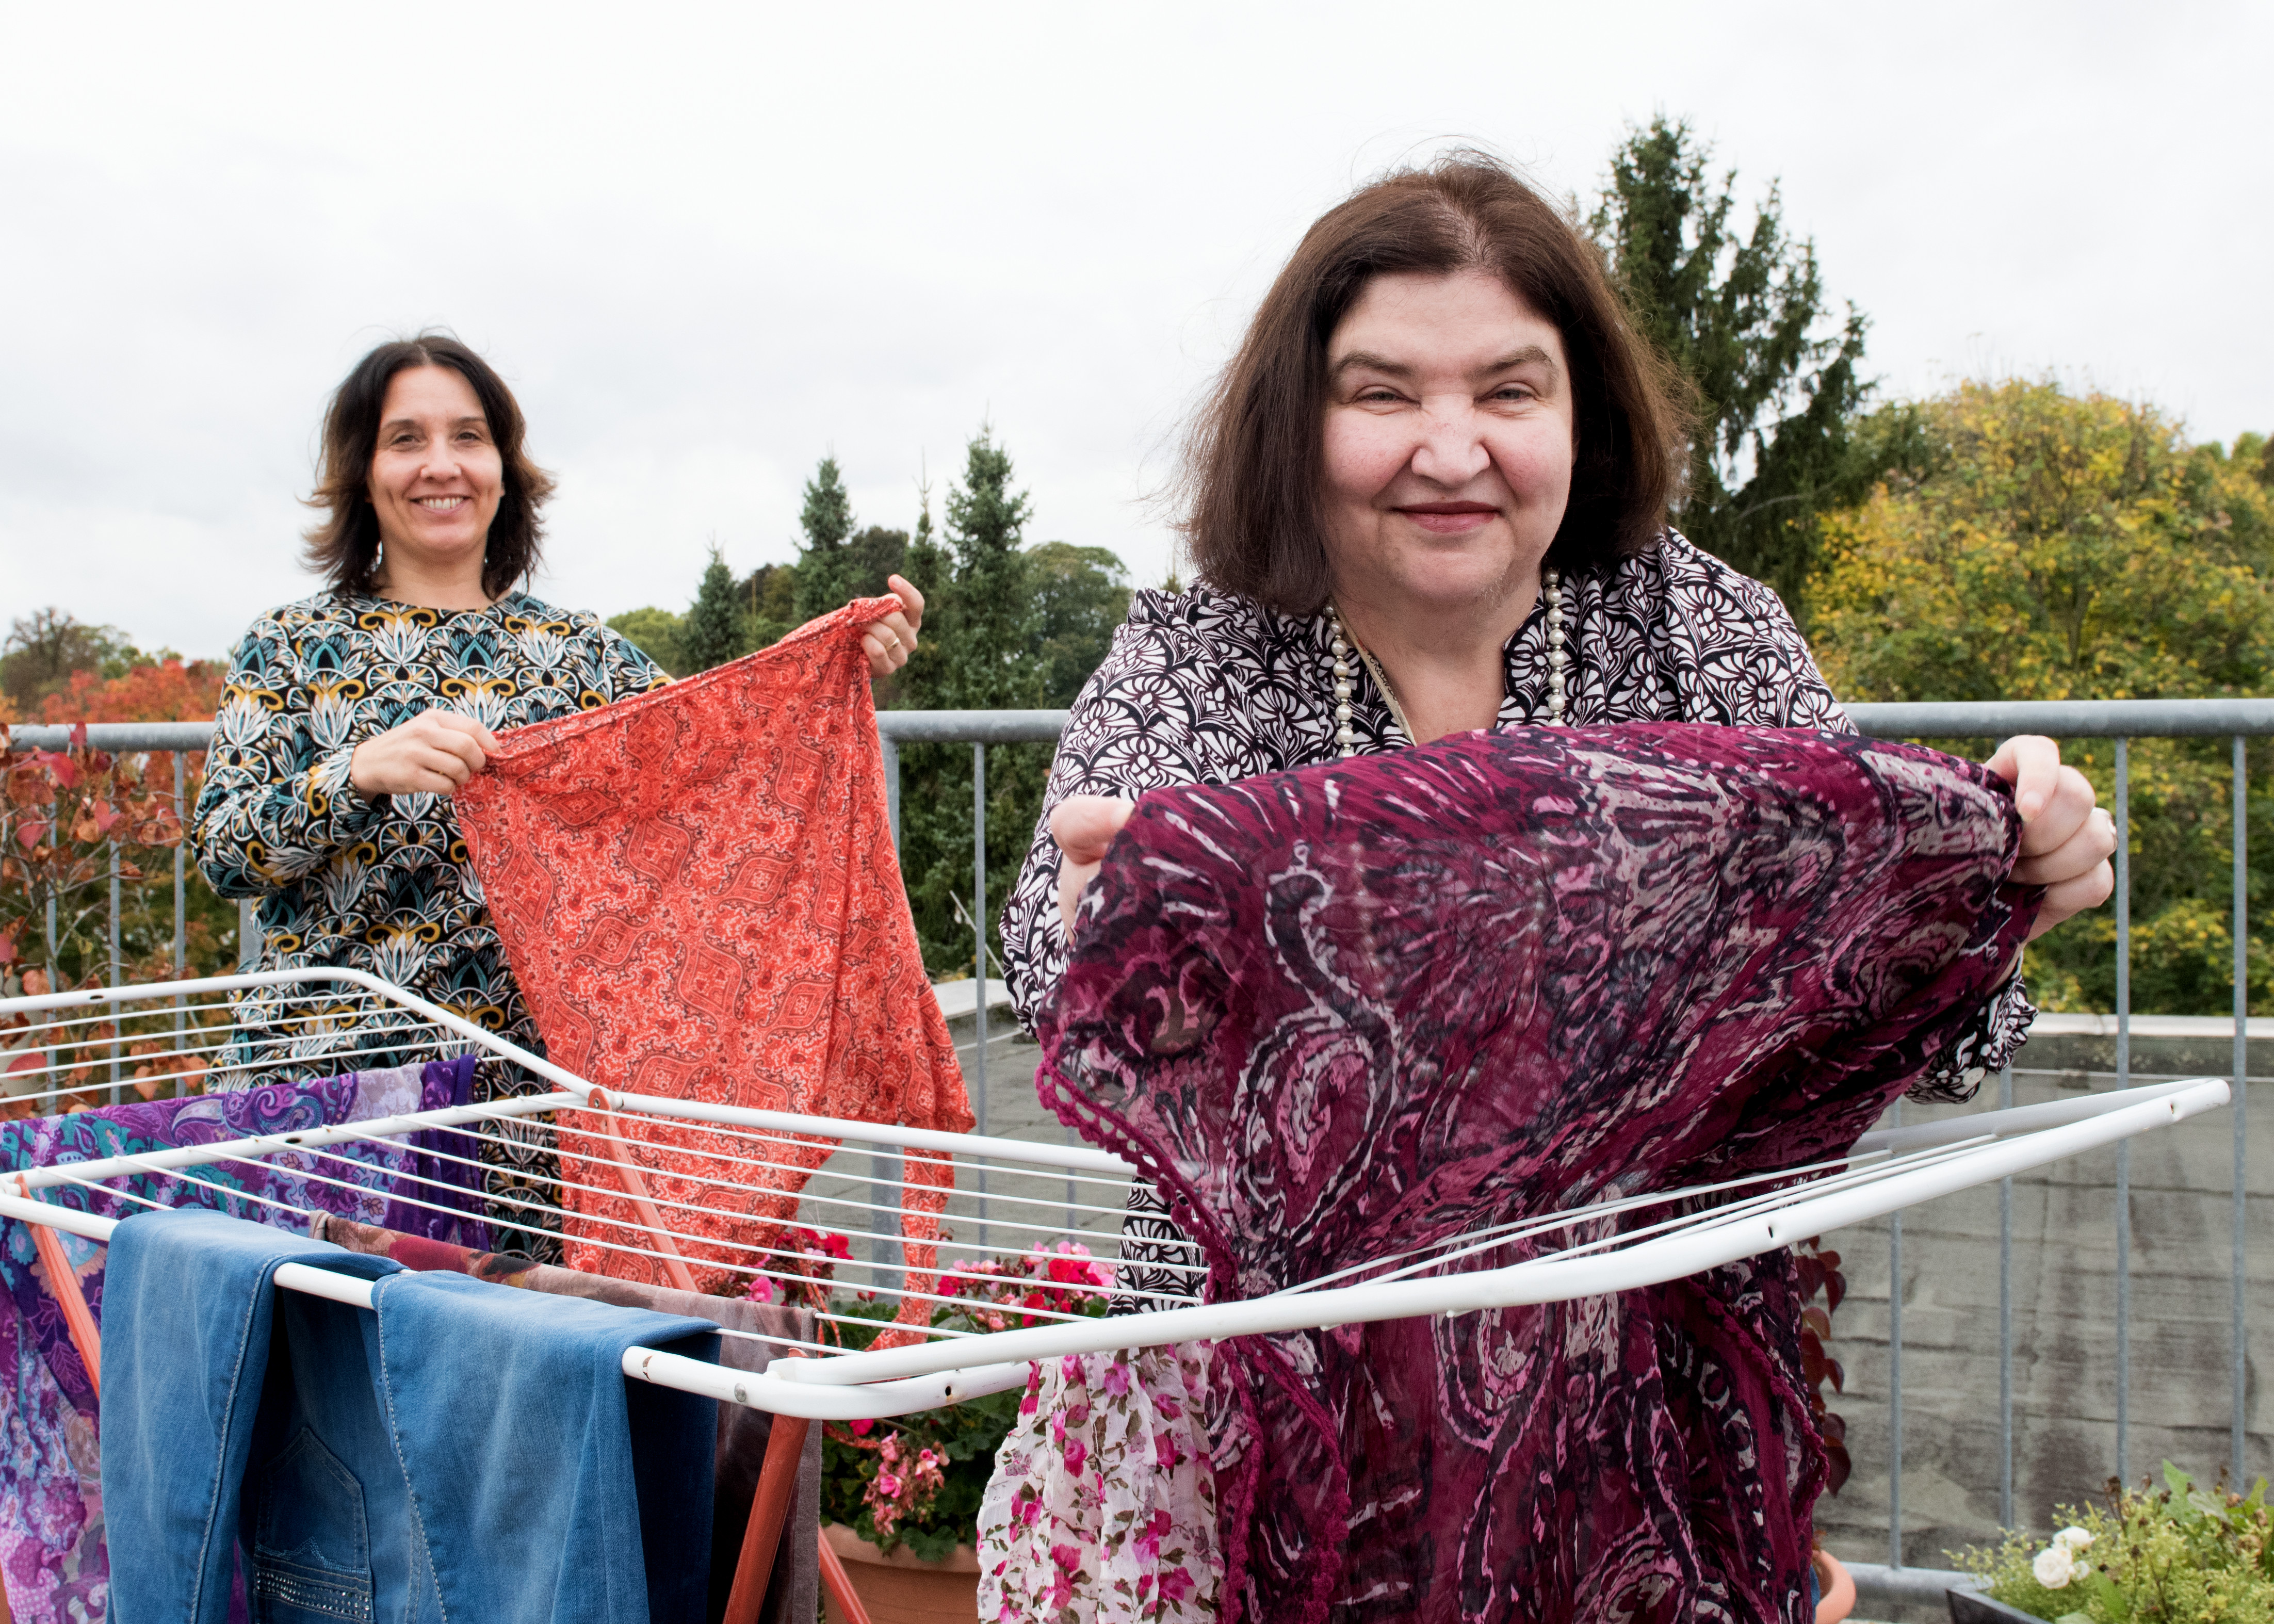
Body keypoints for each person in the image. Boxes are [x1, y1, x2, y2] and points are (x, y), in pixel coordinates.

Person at [987, 154, 2114, 1618]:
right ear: (1297, 419)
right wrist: (1116, 943)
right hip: (1249, 1414)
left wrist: (2016, 878)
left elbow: (1919, 1017)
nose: (1449, 447)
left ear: (1582, 414)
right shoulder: (1200, 657)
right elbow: (1046, 956)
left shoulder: (1704, 637)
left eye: (1509, 392)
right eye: (1381, 393)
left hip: (1632, 1420)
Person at [192, 333, 923, 1257]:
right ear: (363, 472)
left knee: (500, 1381)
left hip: (526, 1114)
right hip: (333, 1110)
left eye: (468, 436)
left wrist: (841, 666)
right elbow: (225, 849)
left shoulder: (584, 655)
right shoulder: (292, 646)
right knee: (324, 1378)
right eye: (406, 439)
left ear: (504, 468)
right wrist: (357, 773)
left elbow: (724, 761)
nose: (441, 465)